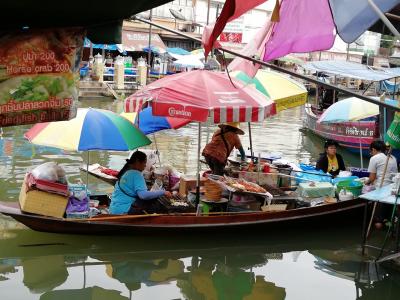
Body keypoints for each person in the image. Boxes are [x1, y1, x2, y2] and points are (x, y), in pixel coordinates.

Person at [365, 140, 398, 229]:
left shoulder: (374, 158)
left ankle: (378, 227)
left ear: (373, 149)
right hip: (392, 190)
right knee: (388, 215)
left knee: (378, 220)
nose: (371, 153)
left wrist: (365, 182)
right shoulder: (393, 158)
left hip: (381, 190)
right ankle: (388, 224)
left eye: (371, 151)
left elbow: (372, 178)